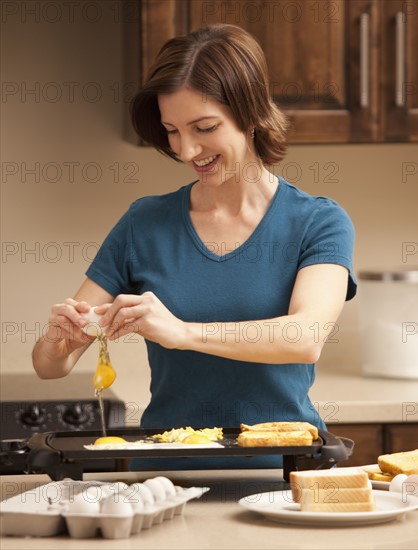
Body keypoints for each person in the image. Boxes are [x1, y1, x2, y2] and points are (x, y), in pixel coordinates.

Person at [32, 24, 356, 469]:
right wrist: (58, 336)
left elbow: (304, 337)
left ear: (253, 113)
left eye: (204, 127)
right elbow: (51, 366)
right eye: (172, 131)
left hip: (284, 475)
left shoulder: (318, 222)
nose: (187, 150)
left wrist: (182, 332)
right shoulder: (143, 223)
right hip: (167, 479)